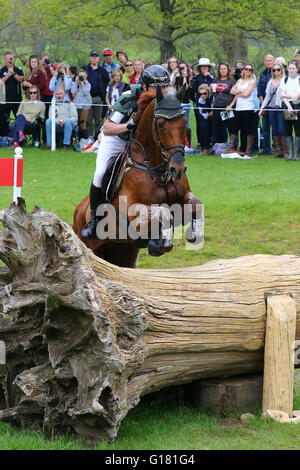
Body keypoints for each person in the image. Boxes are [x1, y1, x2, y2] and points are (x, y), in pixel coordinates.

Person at [81, 64, 170, 239]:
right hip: (116, 139)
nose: (163, 91)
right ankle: (95, 221)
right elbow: (107, 127)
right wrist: (129, 125)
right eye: (157, 87)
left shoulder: (166, 101)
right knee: (99, 174)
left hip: (140, 145)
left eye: (165, 86)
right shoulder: (130, 97)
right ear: (144, 86)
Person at [258, 62, 286, 158]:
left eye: (278, 69)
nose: (276, 71)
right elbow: (267, 96)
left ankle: (285, 150)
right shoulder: (270, 81)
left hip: (281, 108)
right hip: (271, 108)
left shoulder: (285, 80)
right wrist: (261, 109)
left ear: (282, 70)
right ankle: (278, 151)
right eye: (274, 70)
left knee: (282, 129)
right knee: (274, 129)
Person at [230, 64, 257, 157]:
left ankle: (248, 151)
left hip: (248, 108)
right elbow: (231, 91)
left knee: (248, 130)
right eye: (246, 69)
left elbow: (247, 94)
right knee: (236, 129)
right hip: (238, 108)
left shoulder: (252, 81)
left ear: (252, 71)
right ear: (243, 70)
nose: (248, 71)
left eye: (250, 69)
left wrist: (238, 92)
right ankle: (232, 149)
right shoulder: (239, 80)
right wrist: (241, 92)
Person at [82, 50, 109, 139]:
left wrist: (104, 98)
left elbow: (106, 84)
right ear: (90, 58)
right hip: (87, 98)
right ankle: (89, 139)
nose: (94, 58)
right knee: (88, 120)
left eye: (96, 56)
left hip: (98, 98)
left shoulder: (102, 71)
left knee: (99, 120)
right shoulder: (85, 69)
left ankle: (98, 139)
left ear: (98, 58)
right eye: (92, 56)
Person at [210, 62, 237, 150]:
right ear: (219, 70)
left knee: (230, 127)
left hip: (227, 108)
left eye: (224, 69)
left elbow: (236, 95)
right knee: (216, 128)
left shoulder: (232, 80)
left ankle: (233, 147)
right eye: (221, 69)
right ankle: (215, 148)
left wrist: (231, 105)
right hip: (217, 107)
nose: (223, 70)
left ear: (228, 70)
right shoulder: (215, 80)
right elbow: (212, 94)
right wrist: (210, 88)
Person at [191, 58, 215, 151]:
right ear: (200, 68)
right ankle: (202, 144)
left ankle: (211, 144)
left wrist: (211, 77)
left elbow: (216, 86)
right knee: (201, 125)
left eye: (206, 66)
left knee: (211, 124)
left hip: (211, 103)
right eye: (202, 66)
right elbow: (193, 92)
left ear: (208, 67)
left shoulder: (213, 77)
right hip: (200, 104)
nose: (204, 68)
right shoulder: (197, 78)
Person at [280, 60, 300, 161]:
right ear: (287, 69)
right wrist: (289, 106)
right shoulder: (284, 80)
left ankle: (296, 155)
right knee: (288, 130)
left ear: (297, 69)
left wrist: (286, 95)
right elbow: (281, 95)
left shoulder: (299, 79)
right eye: (290, 68)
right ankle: (290, 154)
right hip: (288, 107)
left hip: (297, 106)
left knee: (297, 131)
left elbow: (297, 96)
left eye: (293, 68)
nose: (291, 70)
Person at [0, 52, 24, 136]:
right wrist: (8, 75)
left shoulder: (19, 70)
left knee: (19, 119)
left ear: (14, 59)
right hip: (4, 100)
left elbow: (21, 80)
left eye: (11, 58)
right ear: (5, 60)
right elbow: (0, 82)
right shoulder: (1, 70)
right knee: (4, 120)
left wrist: (13, 73)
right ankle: (4, 138)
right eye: (8, 58)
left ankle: (18, 137)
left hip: (16, 100)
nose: (10, 60)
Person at [257, 54, 275, 154]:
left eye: (270, 61)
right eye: (267, 61)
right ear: (264, 62)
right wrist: (262, 102)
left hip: (274, 105)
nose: (268, 62)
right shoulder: (262, 73)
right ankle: (266, 149)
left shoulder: (277, 72)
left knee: (276, 128)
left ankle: (276, 148)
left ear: (273, 61)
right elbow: (259, 89)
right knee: (265, 127)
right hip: (263, 105)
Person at [174, 61, 192, 146]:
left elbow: (185, 88)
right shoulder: (178, 77)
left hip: (185, 103)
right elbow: (171, 85)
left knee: (186, 123)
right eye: (180, 67)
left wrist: (185, 77)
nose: (182, 69)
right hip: (178, 103)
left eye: (183, 67)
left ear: (187, 68)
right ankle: (180, 142)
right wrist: (175, 74)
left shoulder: (189, 77)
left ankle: (188, 144)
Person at [71, 69, 92, 139]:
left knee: (83, 124)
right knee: (75, 124)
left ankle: (83, 140)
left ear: (86, 76)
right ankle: (73, 139)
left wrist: (82, 83)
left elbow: (85, 92)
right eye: (80, 76)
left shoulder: (87, 84)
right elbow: (73, 91)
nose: (82, 77)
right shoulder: (74, 83)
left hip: (84, 107)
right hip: (75, 106)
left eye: (83, 76)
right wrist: (76, 82)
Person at [196, 84, 212, 153]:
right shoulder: (199, 101)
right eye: (200, 94)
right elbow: (203, 114)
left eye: (204, 93)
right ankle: (204, 147)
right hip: (204, 117)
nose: (202, 95)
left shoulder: (211, 98)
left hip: (213, 118)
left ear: (208, 93)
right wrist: (210, 114)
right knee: (203, 127)